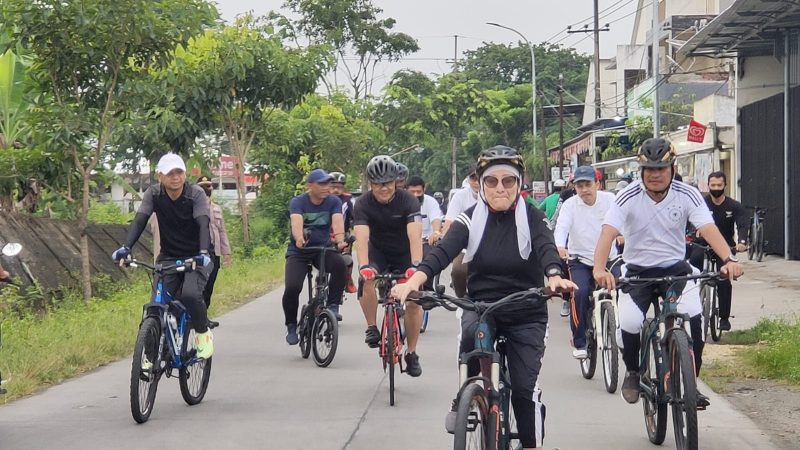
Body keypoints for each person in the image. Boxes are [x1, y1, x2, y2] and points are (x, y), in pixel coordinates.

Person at [393, 145, 576, 450]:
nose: (500, 188)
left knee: (522, 390)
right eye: (492, 181)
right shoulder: (469, 218)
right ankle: (468, 395)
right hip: (482, 306)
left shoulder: (532, 217)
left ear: (519, 184)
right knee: (468, 339)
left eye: (509, 181)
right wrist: (413, 281)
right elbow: (443, 251)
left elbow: (546, 248)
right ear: (480, 183)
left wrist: (555, 275)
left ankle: (530, 444)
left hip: (526, 309)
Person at [593, 138, 744, 407]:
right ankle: (633, 371)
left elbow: (708, 229)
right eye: (648, 169)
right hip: (637, 272)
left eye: (661, 169)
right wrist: (599, 269)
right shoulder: (627, 197)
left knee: (695, 325)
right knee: (629, 322)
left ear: (672, 169)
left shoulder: (687, 194)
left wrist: (729, 259)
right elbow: (608, 232)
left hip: (676, 270)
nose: (654, 175)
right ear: (641, 171)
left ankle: (690, 384)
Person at [112, 153, 215, 359]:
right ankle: (150, 357)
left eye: (179, 172)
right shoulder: (154, 194)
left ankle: (203, 334)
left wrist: (203, 253)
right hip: (168, 256)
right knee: (156, 307)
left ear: (184, 174)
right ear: (160, 176)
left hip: (197, 256)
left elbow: (203, 222)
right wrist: (126, 247)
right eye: (170, 173)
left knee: (189, 295)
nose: (175, 177)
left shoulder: (195, 194)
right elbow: (140, 219)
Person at [353, 155, 425, 377]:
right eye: (377, 184)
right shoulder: (363, 204)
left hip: (404, 253)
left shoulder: (408, 201)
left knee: (414, 298)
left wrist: (415, 266)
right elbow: (362, 238)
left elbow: (415, 237)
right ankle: (372, 327)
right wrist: (364, 265)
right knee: (366, 279)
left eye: (387, 183)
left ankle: (412, 353)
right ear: (370, 184)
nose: (383, 188)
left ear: (395, 181)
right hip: (378, 254)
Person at [554, 166, 619, 359]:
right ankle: (579, 340)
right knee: (579, 293)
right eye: (579, 185)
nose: (584, 189)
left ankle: (622, 332)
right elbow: (562, 227)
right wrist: (559, 246)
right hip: (580, 260)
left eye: (588, 184)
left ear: (598, 184)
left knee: (625, 288)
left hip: (610, 259)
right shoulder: (570, 205)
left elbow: (627, 222)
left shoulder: (611, 200)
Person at [283, 169, 348, 341]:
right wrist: (299, 238)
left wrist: (340, 240)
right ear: (310, 186)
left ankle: (333, 305)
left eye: (328, 183)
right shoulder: (298, 202)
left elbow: (337, 222)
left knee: (341, 266)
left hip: (323, 249)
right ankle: (291, 326)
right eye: (322, 183)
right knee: (292, 287)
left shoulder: (333, 201)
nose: (327, 187)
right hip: (300, 251)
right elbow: (296, 223)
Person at [688, 171, 749, 331]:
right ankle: (693, 304)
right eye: (713, 185)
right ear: (708, 186)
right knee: (694, 269)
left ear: (725, 186)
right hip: (702, 245)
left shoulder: (733, 205)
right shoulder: (700, 203)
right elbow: (688, 220)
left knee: (724, 279)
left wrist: (742, 242)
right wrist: (691, 233)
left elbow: (743, 223)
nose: (716, 188)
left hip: (725, 248)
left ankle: (723, 318)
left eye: (719, 185)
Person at [442, 164, 479, 298]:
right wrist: (444, 241)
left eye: (480, 178)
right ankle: (462, 298)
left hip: (491, 243)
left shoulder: (494, 194)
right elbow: (449, 222)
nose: (476, 182)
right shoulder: (460, 196)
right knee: (458, 270)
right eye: (473, 178)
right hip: (465, 245)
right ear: (468, 180)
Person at [196, 176, 232, 315]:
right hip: (200, 251)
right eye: (203, 186)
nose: (207, 189)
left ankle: (204, 316)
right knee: (200, 286)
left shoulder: (217, 208)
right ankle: (198, 318)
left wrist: (226, 253)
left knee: (210, 285)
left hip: (214, 252)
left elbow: (222, 231)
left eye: (209, 186)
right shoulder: (194, 206)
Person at [329, 171, 357, 294]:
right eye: (333, 187)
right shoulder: (323, 199)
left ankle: (347, 278)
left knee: (347, 259)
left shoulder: (348, 199)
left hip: (342, 235)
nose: (336, 190)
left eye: (339, 187)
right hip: (325, 235)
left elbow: (356, 217)